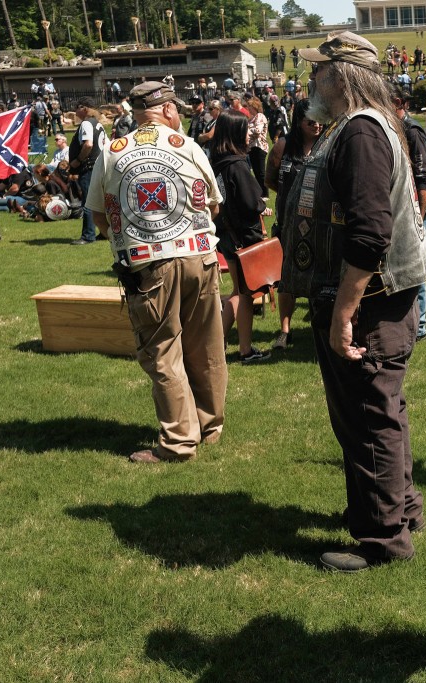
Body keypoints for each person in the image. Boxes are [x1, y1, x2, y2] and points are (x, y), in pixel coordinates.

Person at [288, 31, 426, 572]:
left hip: (368, 302)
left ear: (340, 75)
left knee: (368, 416)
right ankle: (400, 509)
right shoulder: (360, 127)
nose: (310, 82)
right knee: (380, 410)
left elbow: (370, 233)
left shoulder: (360, 133)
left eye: (317, 72)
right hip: (373, 298)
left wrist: (345, 312)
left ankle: (382, 539)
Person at [86, 81, 227, 463]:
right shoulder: (189, 146)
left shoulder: (113, 153)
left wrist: (131, 239)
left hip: (148, 265)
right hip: (200, 256)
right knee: (206, 344)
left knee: (163, 352)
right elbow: (213, 205)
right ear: (165, 109)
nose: (179, 115)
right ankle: (208, 426)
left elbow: (98, 213)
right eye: (176, 109)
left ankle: (179, 443)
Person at [211, 108, 270, 364]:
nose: (250, 134)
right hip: (242, 238)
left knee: (238, 291)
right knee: (244, 293)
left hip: (225, 234)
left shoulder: (216, 162)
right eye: (246, 129)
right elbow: (249, 202)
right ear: (235, 133)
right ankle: (243, 350)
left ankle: (218, 348)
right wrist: (261, 206)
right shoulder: (237, 165)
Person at [265, 98, 322, 352]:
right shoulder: (283, 147)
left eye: (320, 119)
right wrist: (294, 200)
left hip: (320, 224)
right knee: (286, 278)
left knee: (319, 275)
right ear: (299, 121)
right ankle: (285, 331)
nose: (317, 125)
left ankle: (319, 325)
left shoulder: (326, 144)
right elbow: (270, 179)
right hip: (289, 224)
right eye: (311, 120)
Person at [391, 84, 426, 341]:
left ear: (399, 102)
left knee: (417, 268)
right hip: (400, 207)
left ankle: (420, 326)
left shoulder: (412, 129)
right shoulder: (394, 128)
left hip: (416, 209)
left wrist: (420, 215)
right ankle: (406, 322)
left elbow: (423, 176)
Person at [67, 97, 106, 245]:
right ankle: (104, 231)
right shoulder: (98, 124)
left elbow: (88, 145)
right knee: (101, 202)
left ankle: (88, 236)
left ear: (84, 108)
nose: (75, 111)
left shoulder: (86, 124)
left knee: (89, 202)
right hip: (101, 165)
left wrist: (78, 160)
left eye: (77, 107)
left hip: (89, 167)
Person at [246, 96, 270, 195]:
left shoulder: (260, 116)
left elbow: (257, 131)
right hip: (252, 148)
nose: (248, 108)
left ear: (255, 107)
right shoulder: (251, 118)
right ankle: (260, 192)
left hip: (259, 147)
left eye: (249, 106)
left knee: (261, 172)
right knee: (256, 171)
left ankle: (265, 193)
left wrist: (247, 133)